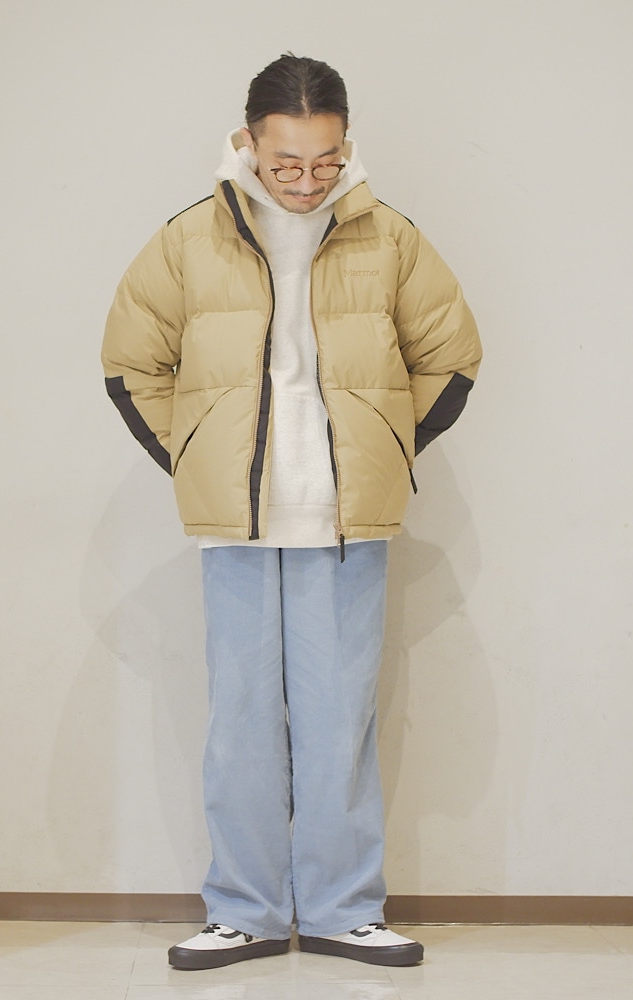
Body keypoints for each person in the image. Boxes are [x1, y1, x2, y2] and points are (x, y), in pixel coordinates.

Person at [101, 53, 482, 971]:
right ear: (247, 142)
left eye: (324, 161)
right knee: (239, 722)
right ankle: (247, 910)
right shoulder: (188, 240)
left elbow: (453, 355)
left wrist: (385, 452)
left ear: (346, 144)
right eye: (286, 164)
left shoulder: (390, 238)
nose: (307, 181)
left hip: (345, 523)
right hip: (235, 524)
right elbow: (131, 362)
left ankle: (346, 909)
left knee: (338, 723)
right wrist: (197, 458)